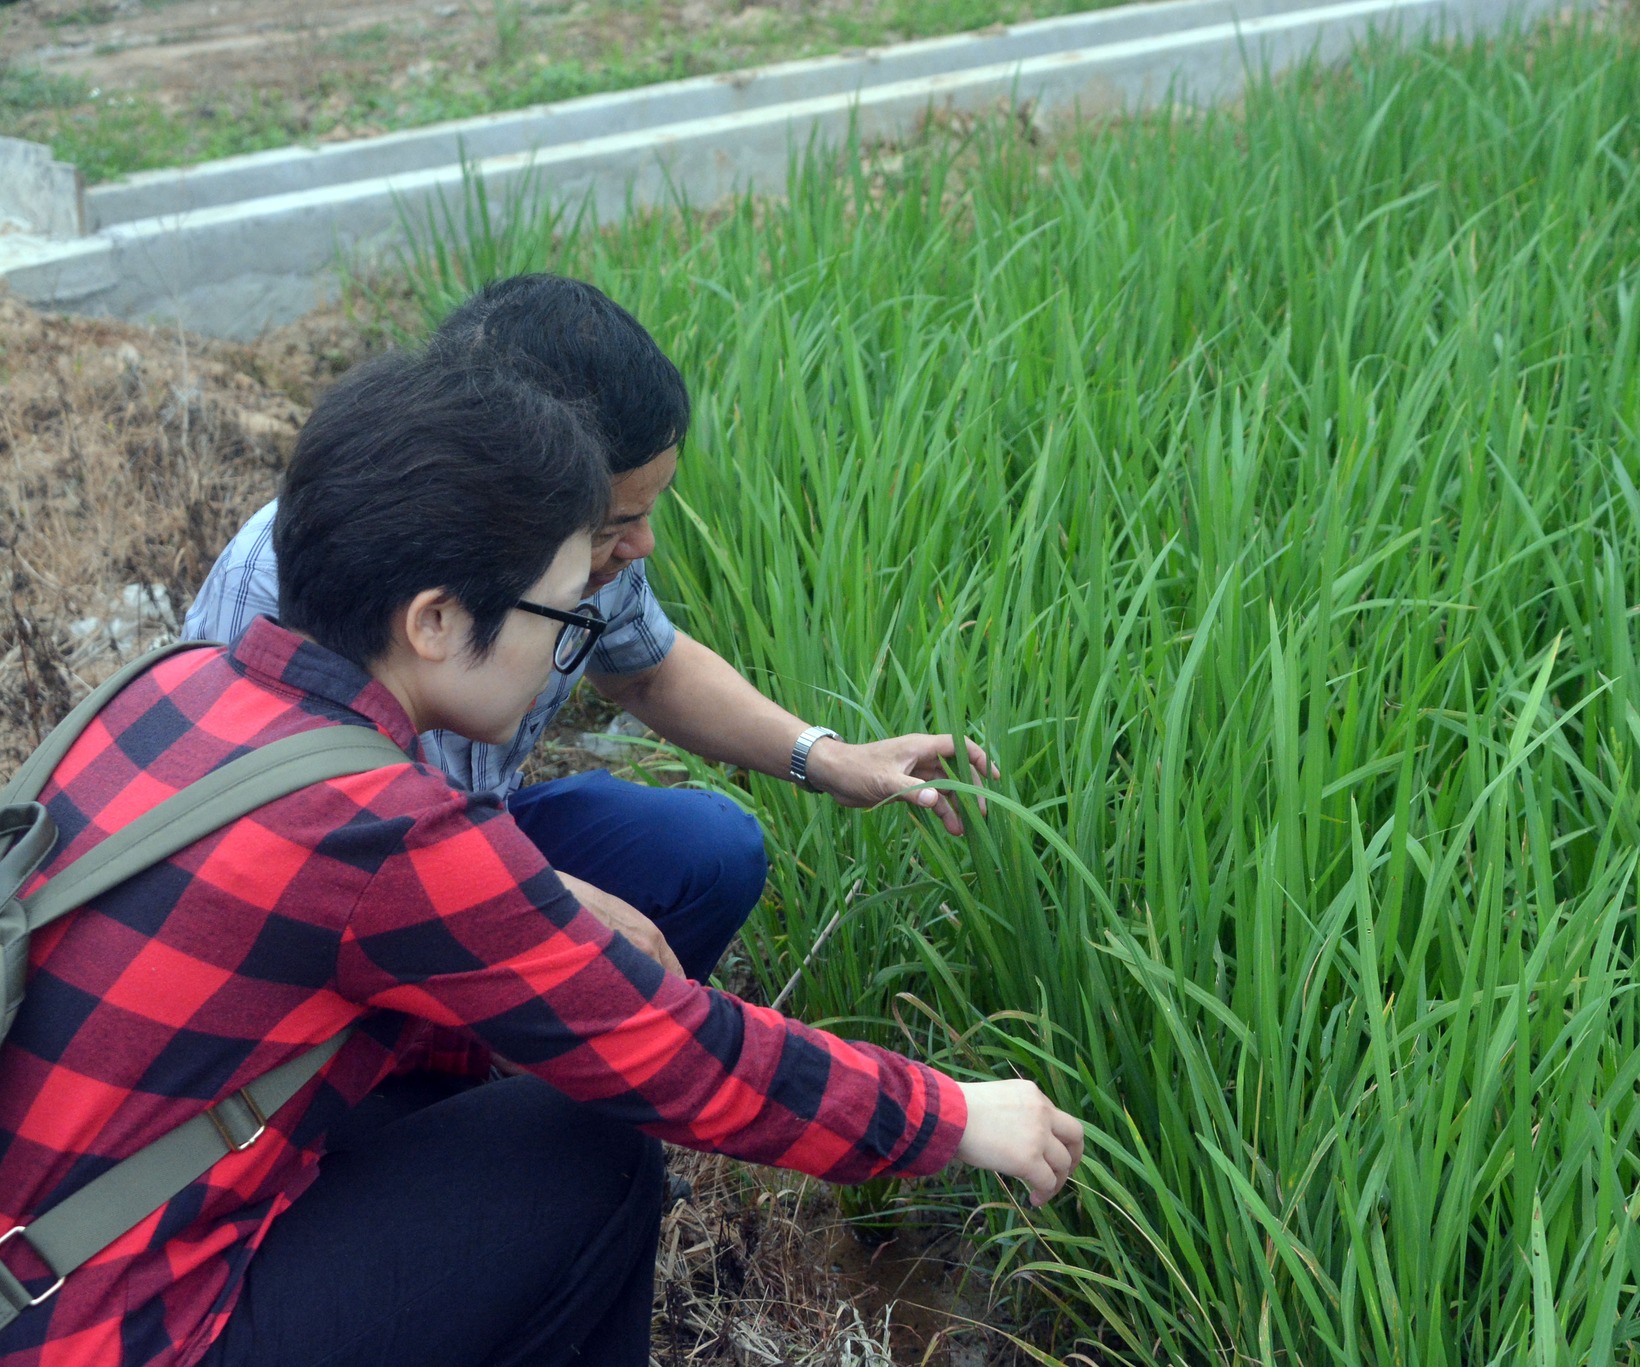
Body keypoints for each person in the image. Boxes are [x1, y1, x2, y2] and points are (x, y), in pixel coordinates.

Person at [0, 349, 1082, 1367]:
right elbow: (684, 1059)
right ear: (433, 619)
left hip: (41, 1255)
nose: (569, 649)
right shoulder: (381, 827)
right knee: (589, 1153)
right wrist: (950, 1113)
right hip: (114, 1330)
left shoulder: (169, 684)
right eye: (562, 617)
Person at [183, 273, 996, 984]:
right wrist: (555, 909)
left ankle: (564, 1099)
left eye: (642, 515)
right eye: (612, 523)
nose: (636, 548)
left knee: (707, 849)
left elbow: (644, 668)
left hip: (465, 826)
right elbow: (292, 849)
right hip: (320, 902)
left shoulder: (576, 549)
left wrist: (827, 757)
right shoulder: (306, 575)